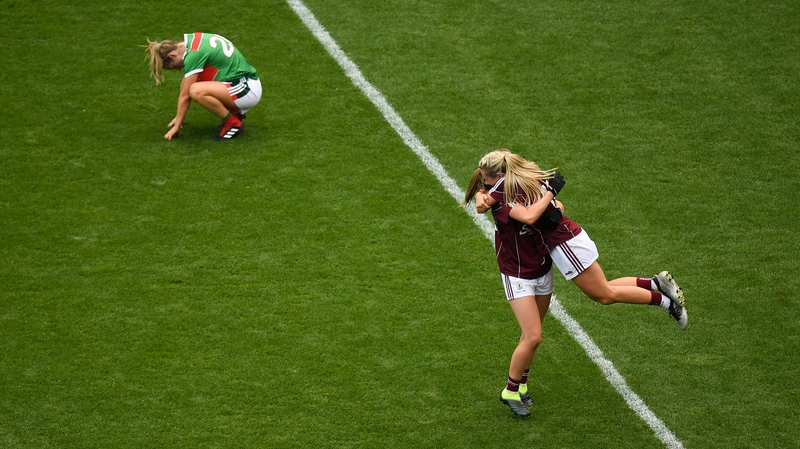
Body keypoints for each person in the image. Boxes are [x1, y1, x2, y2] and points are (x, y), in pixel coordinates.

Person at [465, 149, 688, 330]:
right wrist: (556, 207)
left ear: (501, 176)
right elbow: (489, 193)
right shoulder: (523, 176)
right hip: (567, 237)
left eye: (487, 180)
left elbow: (525, 214)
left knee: (605, 295)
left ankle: (668, 304)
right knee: (604, 288)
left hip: (563, 243)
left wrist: (552, 195)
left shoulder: (508, 189)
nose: (486, 185)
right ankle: (656, 283)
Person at [459, 157, 564, 418]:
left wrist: (556, 207)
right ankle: (510, 390)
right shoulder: (503, 203)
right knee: (533, 336)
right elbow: (529, 217)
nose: (485, 185)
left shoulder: (523, 189)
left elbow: (554, 206)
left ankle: (522, 384)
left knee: (531, 337)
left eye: (488, 180)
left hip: (542, 268)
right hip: (517, 275)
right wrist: (551, 194)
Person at [144, 33, 262, 141]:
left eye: (174, 66)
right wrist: (179, 116)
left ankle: (233, 123)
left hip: (246, 90)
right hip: (247, 82)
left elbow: (185, 95)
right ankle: (235, 113)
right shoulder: (194, 40)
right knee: (189, 80)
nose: (179, 68)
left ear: (173, 55)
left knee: (195, 91)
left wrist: (177, 125)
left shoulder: (193, 55)